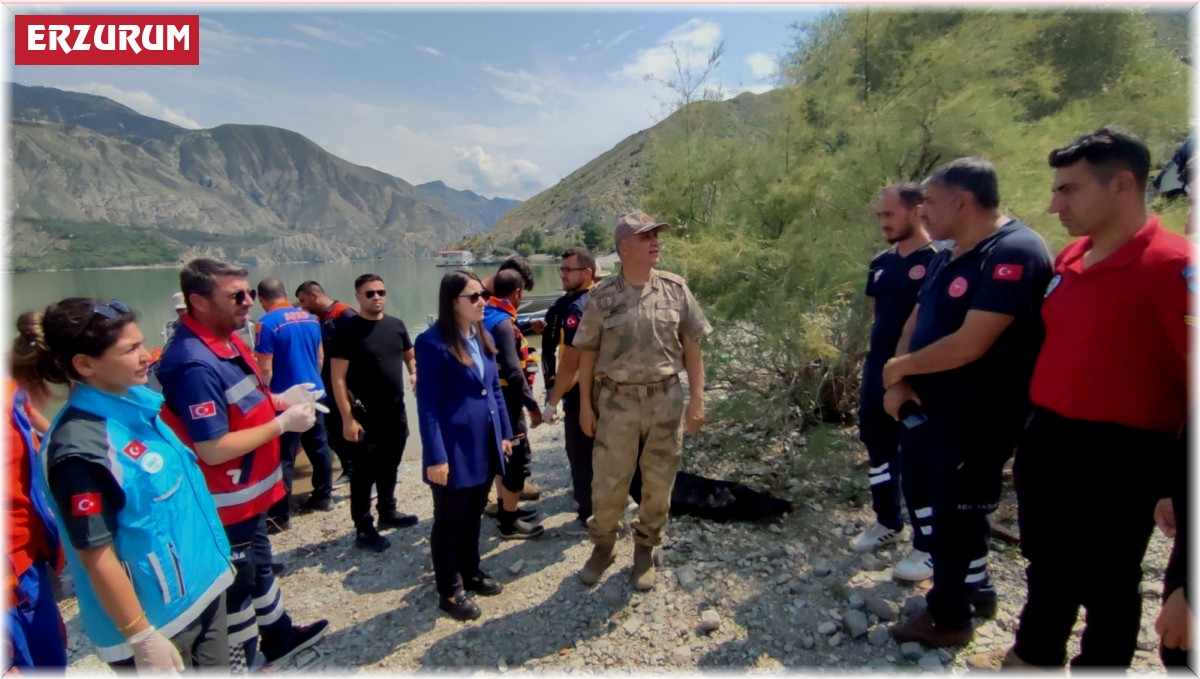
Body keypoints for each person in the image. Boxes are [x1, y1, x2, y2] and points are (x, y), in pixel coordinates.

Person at [1000, 128, 1190, 668]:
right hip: (1050, 441)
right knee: (1046, 565)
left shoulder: (1174, 266)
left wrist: (1181, 485)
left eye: (1070, 190)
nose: (1054, 204)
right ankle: (1034, 656)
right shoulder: (1070, 258)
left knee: (1109, 583)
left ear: (1122, 185)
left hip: (1124, 455)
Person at [882, 158, 1053, 648]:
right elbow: (919, 315)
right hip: (931, 409)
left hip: (978, 417)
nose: (923, 211)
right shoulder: (951, 252)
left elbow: (970, 343)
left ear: (961, 201)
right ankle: (975, 590)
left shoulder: (1015, 251)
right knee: (944, 505)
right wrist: (900, 376)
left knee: (958, 512)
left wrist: (899, 370)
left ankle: (949, 617)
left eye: (930, 202)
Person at [28, 298, 235, 671]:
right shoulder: (80, 449)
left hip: (202, 589)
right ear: (85, 364)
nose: (145, 357)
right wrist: (140, 635)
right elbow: (95, 554)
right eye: (131, 350)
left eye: (141, 344)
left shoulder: (137, 404)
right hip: (160, 621)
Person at [157, 258, 328, 669]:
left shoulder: (229, 339)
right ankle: (241, 661)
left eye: (249, 292)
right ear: (198, 301)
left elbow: (246, 399)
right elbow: (212, 447)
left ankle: (279, 633)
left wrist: (279, 400)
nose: (249, 302)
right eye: (236, 295)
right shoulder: (193, 363)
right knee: (236, 584)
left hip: (250, 494)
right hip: (225, 499)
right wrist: (282, 423)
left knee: (259, 566)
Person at [573, 210, 711, 591]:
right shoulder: (602, 297)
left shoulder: (675, 288)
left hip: (665, 398)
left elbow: (693, 344)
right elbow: (586, 352)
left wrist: (697, 399)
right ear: (623, 248)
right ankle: (603, 545)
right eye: (646, 237)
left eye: (656, 235)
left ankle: (645, 548)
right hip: (616, 402)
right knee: (608, 482)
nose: (655, 242)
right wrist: (585, 405)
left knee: (658, 481)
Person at [851, 183, 940, 582]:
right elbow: (879, 316)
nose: (883, 222)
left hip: (920, 377)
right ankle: (887, 520)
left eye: (889, 214)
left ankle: (929, 545)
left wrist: (906, 370)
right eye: (879, 216)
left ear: (917, 211)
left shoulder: (939, 261)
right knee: (877, 445)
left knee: (921, 458)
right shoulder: (880, 263)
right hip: (877, 370)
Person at [415, 270, 511, 621]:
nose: (482, 301)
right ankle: (450, 590)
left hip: (484, 444)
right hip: (453, 448)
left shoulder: (481, 336)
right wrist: (436, 456)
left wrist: (503, 434)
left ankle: (471, 571)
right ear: (452, 302)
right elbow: (426, 405)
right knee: (449, 520)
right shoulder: (432, 343)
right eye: (473, 297)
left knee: (474, 514)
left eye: (482, 294)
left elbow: (494, 390)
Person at [329, 273, 419, 553]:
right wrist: (347, 419)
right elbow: (338, 379)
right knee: (363, 474)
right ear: (357, 296)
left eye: (381, 292)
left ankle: (388, 510)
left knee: (390, 466)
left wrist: (415, 372)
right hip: (364, 416)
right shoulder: (346, 330)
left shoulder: (396, 325)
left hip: (395, 413)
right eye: (370, 293)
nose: (376, 297)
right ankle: (364, 528)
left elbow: (409, 355)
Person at [6, 312, 67, 673]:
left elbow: (43, 429)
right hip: (17, 565)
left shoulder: (12, 395)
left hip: (30, 557)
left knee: (47, 655)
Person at [255, 278, 336, 528]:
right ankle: (324, 496)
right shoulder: (310, 318)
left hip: (285, 400)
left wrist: (263, 395)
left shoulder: (266, 324)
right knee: (319, 447)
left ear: (261, 299)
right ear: (286, 293)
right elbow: (320, 357)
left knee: (283, 456)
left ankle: (280, 514)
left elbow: (265, 368)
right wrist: (312, 378)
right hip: (313, 392)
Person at [541, 247, 602, 536]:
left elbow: (570, 362)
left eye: (568, 270)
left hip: (581, 390)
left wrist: (552, 401)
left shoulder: (579, 307)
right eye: (561, 269)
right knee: (594, 451)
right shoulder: (590, 298)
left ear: (587, 273)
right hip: (600, 387)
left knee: (580, 453)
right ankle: (600, 502)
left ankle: (588, 515)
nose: (562, 274)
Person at [482, 269, 545, 539]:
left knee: (500, 457)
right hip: (507, 401)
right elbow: (512, 368)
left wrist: (528, 328)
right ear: (517, 292)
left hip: (489, 400)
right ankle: (509, 522)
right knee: (517, 460)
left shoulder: (486, 313)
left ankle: (506, 508)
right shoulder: (502, 322)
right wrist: (532, 405)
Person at [295, 280, 357, 487]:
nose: (302, 305)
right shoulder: (319, 319)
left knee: (345, 425)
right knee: (330, 429)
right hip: (327, 382)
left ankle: (357, 468)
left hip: (344, 383)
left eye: (303, 300)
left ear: (314, 296)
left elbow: (360, 349)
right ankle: (349, 467)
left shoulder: (344, 314)